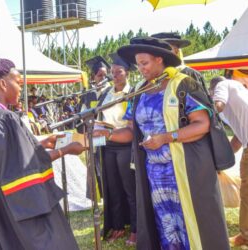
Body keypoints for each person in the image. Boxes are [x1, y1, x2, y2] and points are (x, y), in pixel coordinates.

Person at [93, 37, 230, 249]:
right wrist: (107, 135)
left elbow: (202, 124)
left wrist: (166, 137)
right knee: (165, 226)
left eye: (144, 63)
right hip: (155, 173)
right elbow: (131, 130)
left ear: (159, 59)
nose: (140, 69)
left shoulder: (184, 84)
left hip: (186, 170)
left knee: (192, 224)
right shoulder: (138, 91)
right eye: (138, 64)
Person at [0, 51, 86, 249]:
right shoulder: (7, 119)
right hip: (19, 208)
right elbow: (25, 168)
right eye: (19, 83)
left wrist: (41, 143)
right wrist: (66, 150)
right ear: (3, 84)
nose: (22, 89)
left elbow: (7, 154)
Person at [94, 52, 137, 246]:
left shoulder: (133, 92)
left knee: (129, 188)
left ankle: (136, 229)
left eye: (118, 72)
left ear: (127, 72)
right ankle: (118, 225)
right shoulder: (106, 93)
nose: (115, 75)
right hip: (107, 145)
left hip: (126, 145)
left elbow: (132, 124)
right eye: (112, 72)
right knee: (113, 188)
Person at [209, 76, 248, 247]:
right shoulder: (240, 96)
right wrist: (221, 161)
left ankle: (246, 236)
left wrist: (196, 117)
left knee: (247, 194)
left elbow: (217, 105)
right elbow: (238, 140)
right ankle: (245, 235)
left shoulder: (223, 84)